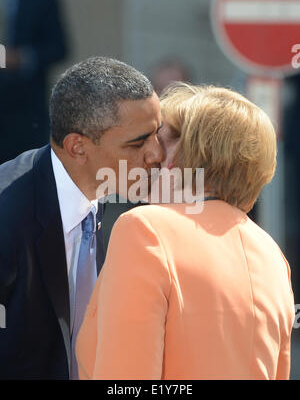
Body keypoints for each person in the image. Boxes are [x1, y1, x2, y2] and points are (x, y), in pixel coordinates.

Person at [76, 83, 295, 380]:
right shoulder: (272, 254)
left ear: (184, 157)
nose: (147, 156)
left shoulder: (145, 229)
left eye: (158, 143)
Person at [0, 57, 163, 379]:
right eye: (138, 142)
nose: (156, 153)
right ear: (77, 147)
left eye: (157, 134)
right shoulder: (7, 212)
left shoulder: (94, 191)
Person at [0, 0, 68, 164]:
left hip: (26, 112)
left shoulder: (41, 1)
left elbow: (58, 48)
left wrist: (22, 58)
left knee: (25, 174)